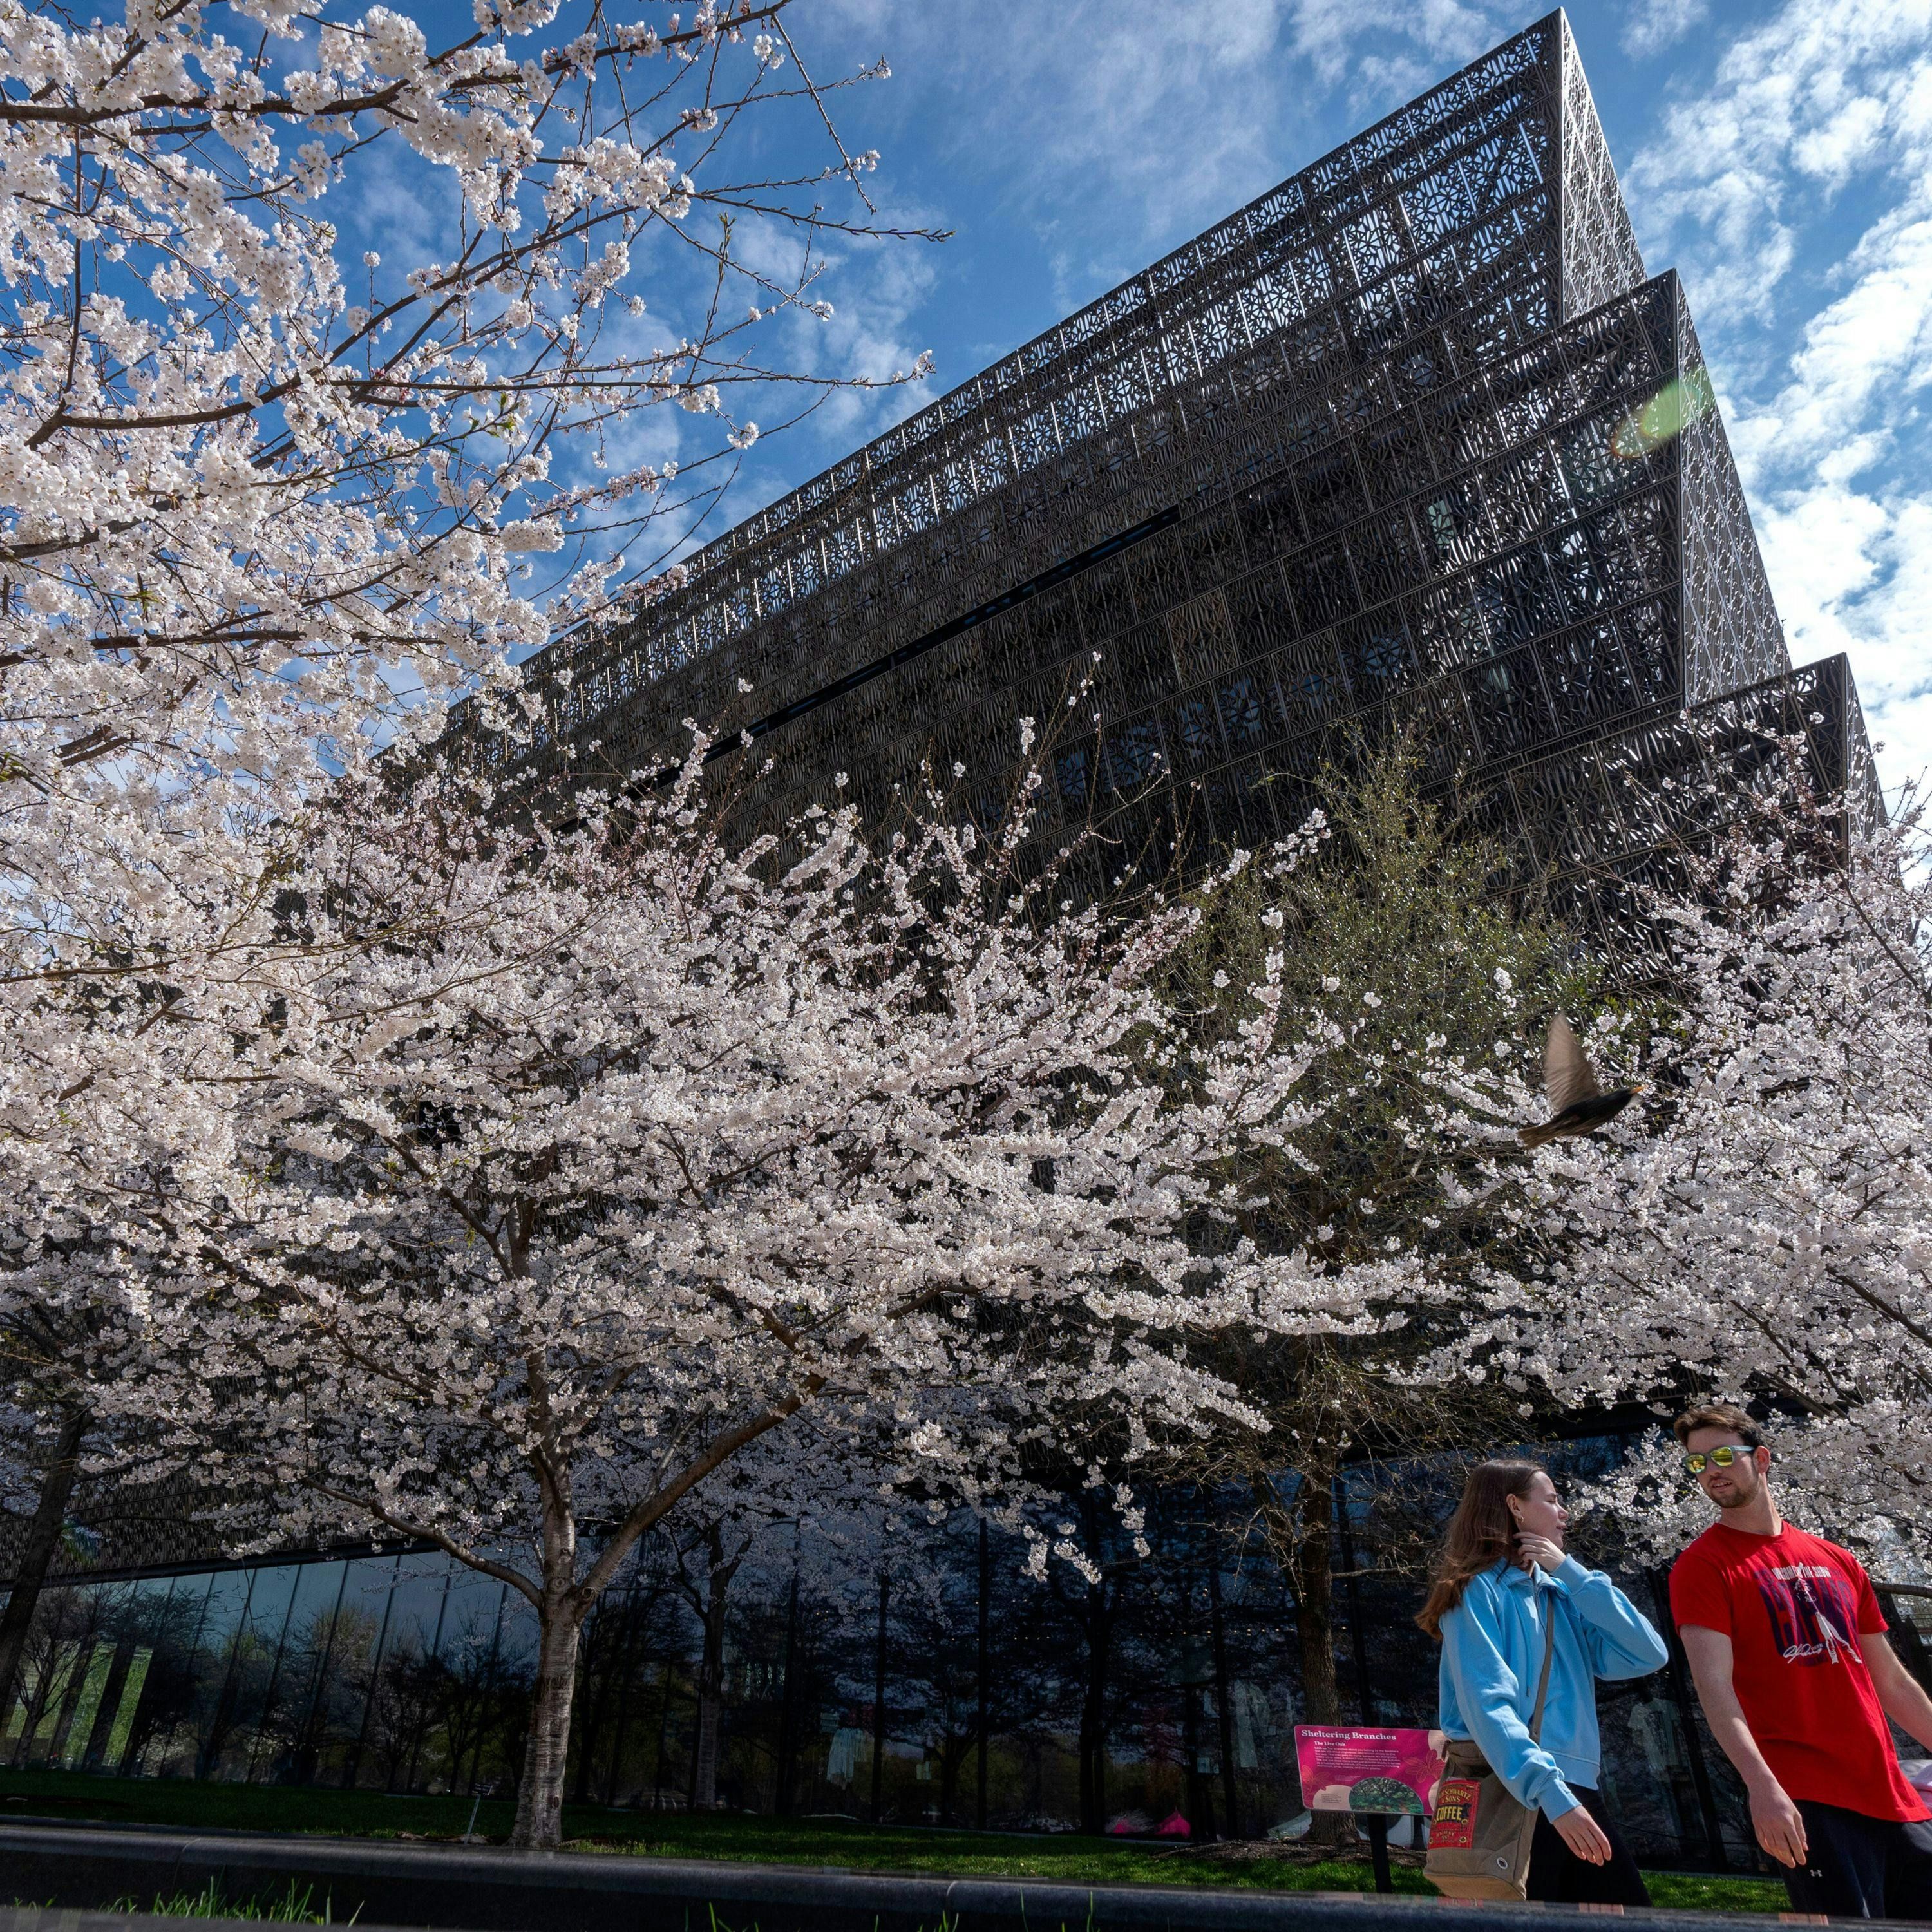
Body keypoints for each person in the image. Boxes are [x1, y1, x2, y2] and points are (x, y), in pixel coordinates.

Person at [1670, 1403, 1932, 1919]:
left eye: (1723, 1455)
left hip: (1890, 1792)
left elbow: (1892, 1682)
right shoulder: (1701, 1567)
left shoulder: (1838, 1559)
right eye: (1697, 1463)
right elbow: (1715, 1689)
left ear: (1762, 1458)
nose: (1711, 1471)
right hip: (1805, 1797)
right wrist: (1762, 1787)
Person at [1419, 1459, 1669, 1906]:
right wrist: (1553, 1796)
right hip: (1523, 1790)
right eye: (1551, 1501)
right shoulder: (1476, 1591)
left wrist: (1573, 1573)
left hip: (1570, 1791)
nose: (1564, 1512)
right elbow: (1488, 1706)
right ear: (1515, 1507)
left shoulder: (1561, 1592)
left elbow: (1649, 1653)